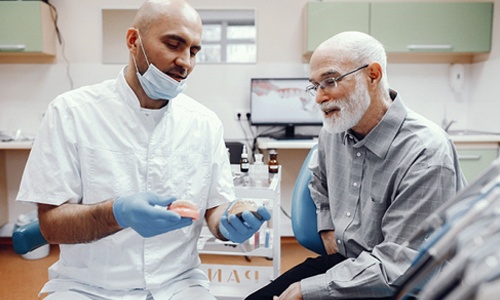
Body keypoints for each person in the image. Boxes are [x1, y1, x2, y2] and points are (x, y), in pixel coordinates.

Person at [16, 1, 270, 299]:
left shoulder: (204, 124)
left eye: (194, 51)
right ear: (133, 41)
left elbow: (215, 206)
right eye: (174, 44)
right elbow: (51, 225)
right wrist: (116, 213)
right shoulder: (71, 112)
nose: (185, 61)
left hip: (179, 284)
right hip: (88, 287)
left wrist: (229, 223)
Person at [245, 31, 466, 300]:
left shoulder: (426, 153)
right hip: (348, 264)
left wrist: (310, 290)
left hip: (407, 284)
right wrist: (327, 227)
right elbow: (319, 182)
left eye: (330, 81)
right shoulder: (334, 130)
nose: (319, 98)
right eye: (315, 86)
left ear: (373, 75)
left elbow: (401, 266)